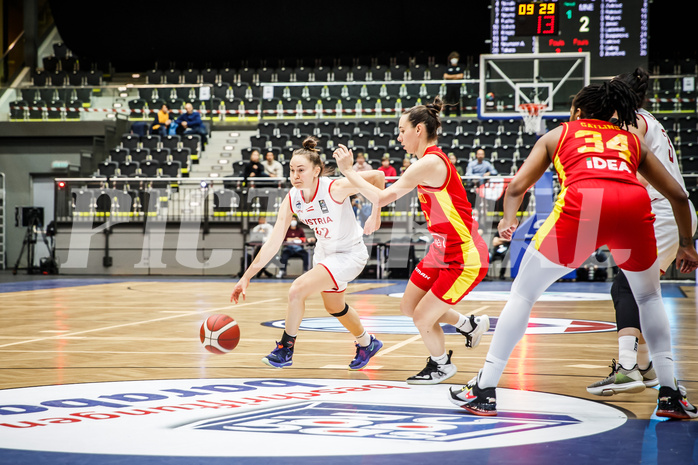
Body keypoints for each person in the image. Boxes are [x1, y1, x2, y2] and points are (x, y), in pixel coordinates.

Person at [449, 80, 698, 420]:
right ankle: (670, 393)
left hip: (585, 205)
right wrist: (687, 244)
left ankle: (484, 388)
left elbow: (518, 186)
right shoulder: (630, 140)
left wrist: (508, 222)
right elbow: (680, 196)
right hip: (632, 207)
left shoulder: (559, 134)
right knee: (649, 298)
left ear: (579, 110)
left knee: (522, 295)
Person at [333, 96, 491, 385]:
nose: (399, 136)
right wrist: (376, 213)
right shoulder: (423, 163)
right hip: (440, 249)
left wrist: (348, 171)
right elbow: (382, 196)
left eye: (402, 129)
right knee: (409, 307)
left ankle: (441, 365)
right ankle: (468, 325)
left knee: (422, 317)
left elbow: (381, 195)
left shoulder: (428, 163)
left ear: (419, 129)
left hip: (464, 255)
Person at [586, 67, 697, 396]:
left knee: (626, 288)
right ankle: (657, 377)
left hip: (661, 211)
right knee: (645, 296)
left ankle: (629, 368)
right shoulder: (648, 120)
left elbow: (635, 174)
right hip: (671, 213)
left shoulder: (633, 123)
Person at [231, 136, 386, 370]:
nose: (295, 175)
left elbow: (378, 177)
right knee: (334, 307)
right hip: (325, 253)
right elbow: (273, 242)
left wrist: (376, 214)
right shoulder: (292, 198)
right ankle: (367, 343)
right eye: (292, 169)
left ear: (316, 171)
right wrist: (247, 276)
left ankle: (285, 349)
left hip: (349, 253)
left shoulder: (335, 188)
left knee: (297, 290)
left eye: (301, 170)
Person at [443, 51, 464, 116]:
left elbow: (461, 76)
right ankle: (447, 115)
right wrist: (456, 76)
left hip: (457, 87)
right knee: (448, 101)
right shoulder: (448, 67)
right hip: (449, 87)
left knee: (457, 101)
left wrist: (451, 77)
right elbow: (446, 76)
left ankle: (458, 115)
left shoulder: (460, 67)